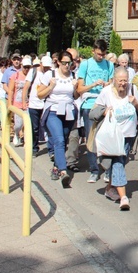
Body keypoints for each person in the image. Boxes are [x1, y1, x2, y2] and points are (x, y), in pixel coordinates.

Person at [92, 67, 138, 209]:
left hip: (129, 135)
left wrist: (135, 103)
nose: (123, 84)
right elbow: (94, 110)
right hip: (113, 136)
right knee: (119, 163)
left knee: (120, 162)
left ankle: (109, 188)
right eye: (120, 81)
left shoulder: (132, 89)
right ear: (114, 80)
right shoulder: (106, 92)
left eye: (125, 80)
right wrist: (104, 111)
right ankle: (124, 197)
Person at [38, 51, 78, 188]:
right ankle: (63, 171)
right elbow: (39, 95)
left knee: (64, 140)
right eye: (64, 62)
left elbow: (76, 96)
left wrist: (75, 87)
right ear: (58, 62)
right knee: (59, 140)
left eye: (69, 63)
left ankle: (56, 168)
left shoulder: (73, 75)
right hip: (53, 111)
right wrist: (50, 86)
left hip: (68, 111)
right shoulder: (50, 75)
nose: (67, 65)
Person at [76, 39, 114, 182]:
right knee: (91, 137)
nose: (101, 57)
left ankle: (107, 169)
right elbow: (80, 88)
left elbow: (112, 82)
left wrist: (107, 84)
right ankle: (94, 169)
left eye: (103, 55)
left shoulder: (109, 64)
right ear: (93, 51)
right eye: (99, 54)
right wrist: (93, 84)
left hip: (105, 104)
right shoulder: (85, 64)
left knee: (107, 137)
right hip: (89, 104)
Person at [23, 55, 53, 157]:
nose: (46, 69)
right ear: (40, 64)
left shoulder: (51, 73)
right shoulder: (33, 71)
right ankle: (34, 148)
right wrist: (24, 101)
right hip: (34, 103)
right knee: (35, 127)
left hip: (46, 103)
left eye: (48, 67)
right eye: (45, 67)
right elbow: (26, 87)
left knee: (48, 127)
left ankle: (51, 150)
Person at [7, 55, 31, 147]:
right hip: (17, 103)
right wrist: (9, 103)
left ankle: (26, 140)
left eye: (28, 67)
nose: (27, 69)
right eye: (25, 67)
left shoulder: (32, 76)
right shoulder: (15, 75)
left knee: (28, 123)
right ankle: (17, 134)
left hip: (28, 103)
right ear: (21, 66)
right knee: (18, 124)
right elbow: (11, 90)